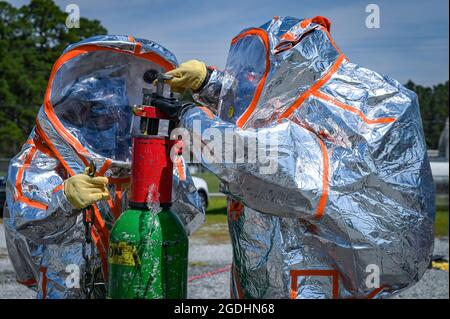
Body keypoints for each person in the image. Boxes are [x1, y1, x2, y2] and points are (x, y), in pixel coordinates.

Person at [153, 16, 435, 298]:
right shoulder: (306, 102)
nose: (247, 83)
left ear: (288, 69)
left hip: (310, 287)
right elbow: (255, 108)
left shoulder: (326, 122)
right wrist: (208, 83)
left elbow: (250, 155)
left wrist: (188, 116)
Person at [4, 36, 204, 299]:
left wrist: (162, 178)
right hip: (68, 286)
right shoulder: (49, 150)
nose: (109, 121)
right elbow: (23, 216)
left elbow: (188, 214)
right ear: (78, 109)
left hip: (135, 285)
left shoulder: (150, 151)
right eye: (96, 112)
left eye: (116, 112)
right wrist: (64, 198)